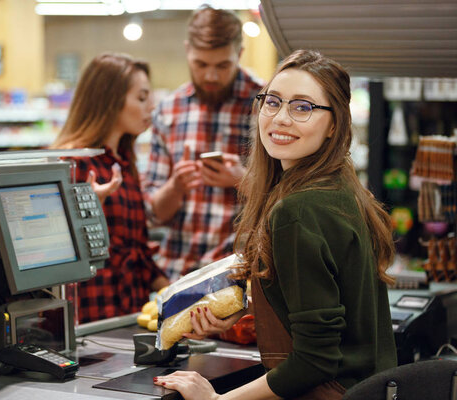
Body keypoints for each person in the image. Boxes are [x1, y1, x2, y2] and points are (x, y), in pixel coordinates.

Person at [153, 50, 398, 399]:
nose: (281, 118)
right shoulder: (339, 187)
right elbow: (322, 294)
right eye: (273, 102)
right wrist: (241, 310)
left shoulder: (297, 211)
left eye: (303, 107)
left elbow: (316, 361)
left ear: (334, 125)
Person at [142, 6, 263, 281]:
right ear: (188, 51)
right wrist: (175, 187)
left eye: (222, 66)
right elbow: (153, 214)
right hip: (177, 274)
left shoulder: (266, 103)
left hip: (240, 274)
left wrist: (242, 180)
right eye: (201, 64)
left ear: (240, 55)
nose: (211, 76)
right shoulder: (168, 110)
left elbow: (287, 198)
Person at [52, 53, 169, 323]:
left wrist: (175, 289)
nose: (151, 107)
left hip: (129, 311)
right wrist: (90, 210)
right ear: (109, 100)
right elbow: (57, 253)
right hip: (90, 315)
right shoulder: (73, 163)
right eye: (141, 98)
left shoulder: (124, 163)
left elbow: (136, 247)